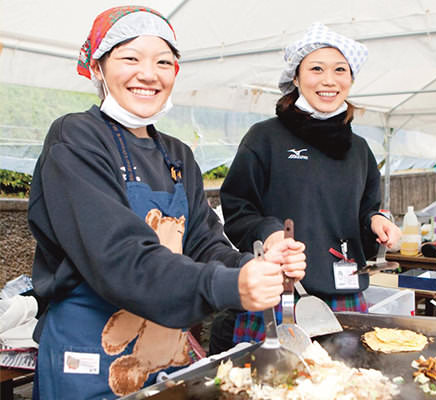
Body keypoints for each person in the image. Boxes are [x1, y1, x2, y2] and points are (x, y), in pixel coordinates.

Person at [27, 7, 306, 399]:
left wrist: (257, 268)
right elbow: (119, 257)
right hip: (86, 357)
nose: (148, 73)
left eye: (163, 62)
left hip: (164, 355)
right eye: (130, 58)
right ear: (97, 68)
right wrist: (229, 285)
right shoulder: (76, 139)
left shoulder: (175, 154)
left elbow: (204, 245)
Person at [219, 23, 401, 347]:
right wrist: (269, 233)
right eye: (316, 68)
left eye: (340, 70)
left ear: (351, 79)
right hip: (277, 295)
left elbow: (366, 209)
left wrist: (377, 221)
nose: (329, 80)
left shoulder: (359, 149)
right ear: (296, 77)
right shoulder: (265, 138)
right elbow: (237, 208)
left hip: (345, 295)